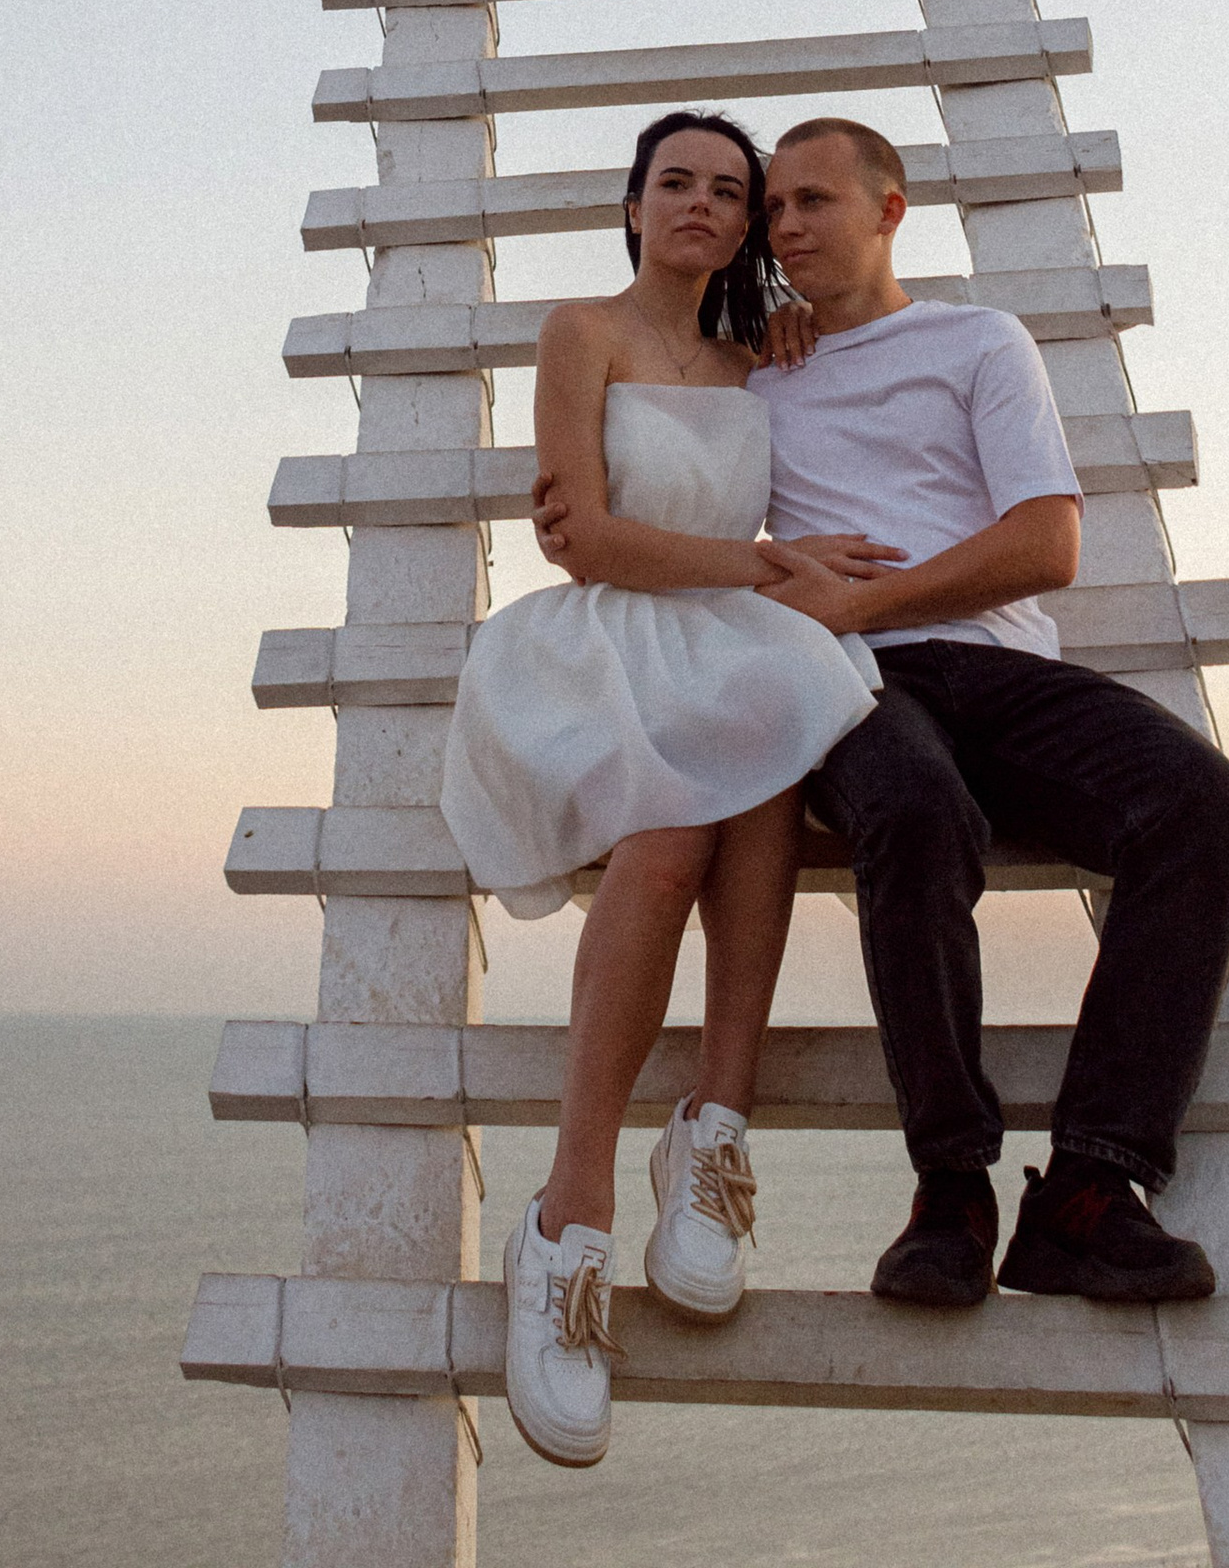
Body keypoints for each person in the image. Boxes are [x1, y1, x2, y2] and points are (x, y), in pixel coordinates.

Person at [535, 113, 1229, 1314]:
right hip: (846, 678)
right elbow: (639, 461)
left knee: (1203, 805)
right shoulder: (755, 362)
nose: (783, 226)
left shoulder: (980, 343)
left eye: (809, 201)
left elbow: (1047, 543)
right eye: (772, 209)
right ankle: (949, 1185)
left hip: (994, 667)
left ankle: (1088, 1189)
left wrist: (872, 590)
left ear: (888, 210)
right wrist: (616, 529)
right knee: (917, 809)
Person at [438, 110, 889, 1470]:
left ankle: (713, 1132)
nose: (700, 203)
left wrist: (757, 562)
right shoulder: (584, 331)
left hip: (722, 633)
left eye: (729, 192)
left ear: (751, 224)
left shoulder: (764, 359)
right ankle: (566, 1215)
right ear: (632, 207)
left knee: (776, 773)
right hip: (613, 639)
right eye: (674, 183)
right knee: (670, 844)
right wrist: (760, 565)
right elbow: (584, 536)